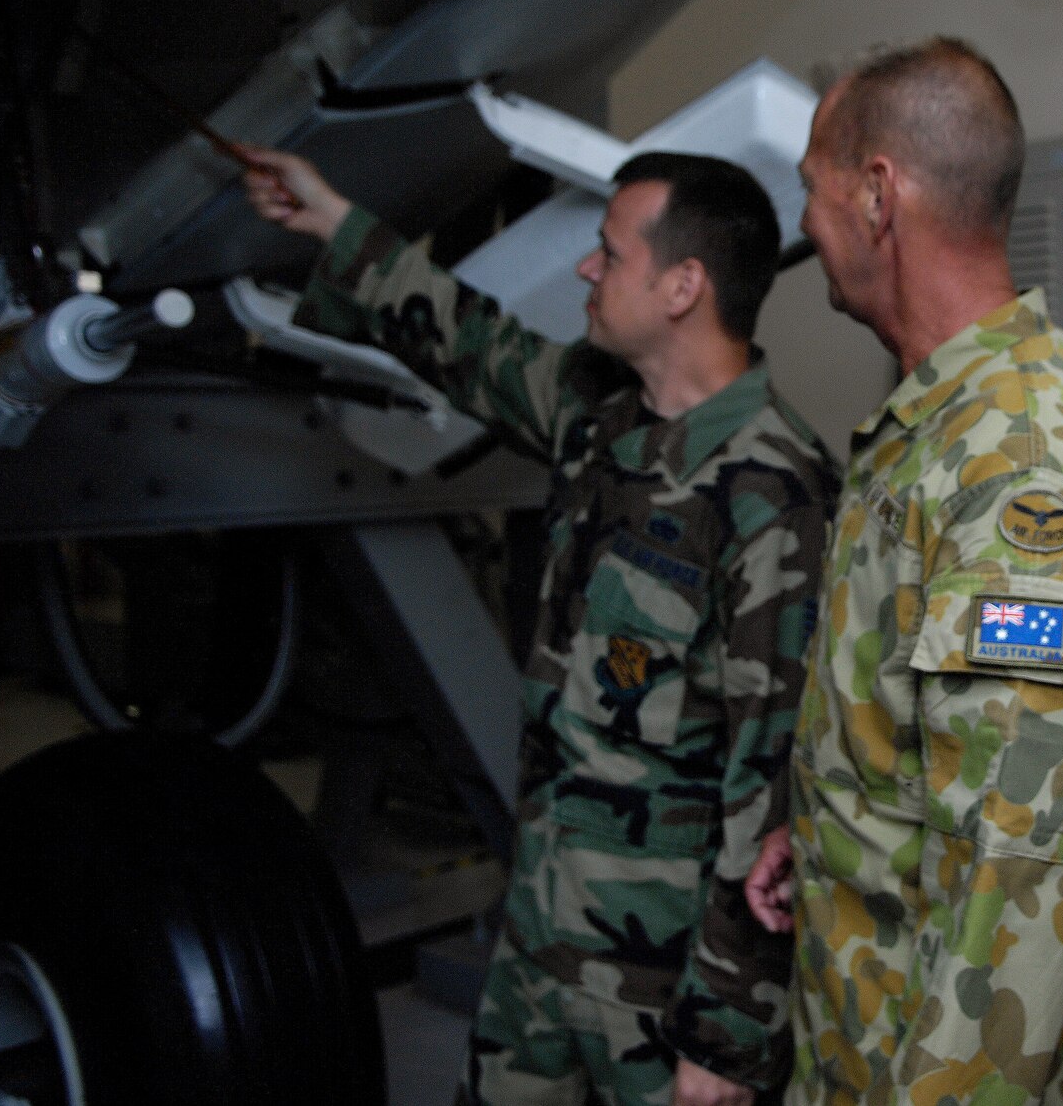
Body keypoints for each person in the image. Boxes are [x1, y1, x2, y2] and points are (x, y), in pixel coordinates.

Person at [242, 147, 840, 1106]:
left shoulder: (776, 496)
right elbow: (465, 340)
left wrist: (728, 1038)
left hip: (664, 992)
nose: (584, 270)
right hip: (537, 947)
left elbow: (773, 792)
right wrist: (329, 220)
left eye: (608, 252)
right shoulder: (599, 418)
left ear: (684, 284)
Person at [740, 38, 1063, 1103]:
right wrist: (837, 826)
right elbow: (940, 746)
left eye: (811, 187)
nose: (803, 224)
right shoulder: (935, 426)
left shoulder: (1024, 462)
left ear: (877, 196)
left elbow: (1017, 878)